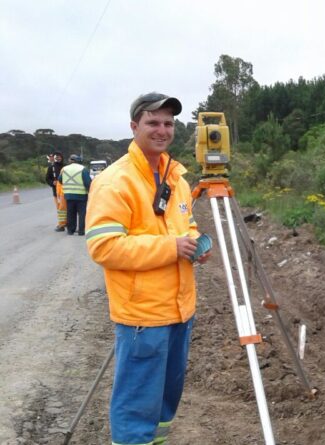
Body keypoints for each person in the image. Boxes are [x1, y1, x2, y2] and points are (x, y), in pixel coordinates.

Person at [85, 92, 210, 445]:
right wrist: (171, 248)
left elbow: (184, 227)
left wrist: (195, 244)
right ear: (134, 126)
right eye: (153, 122)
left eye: (168, 123)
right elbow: (104, 246)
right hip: (142, 316)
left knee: (165, 405)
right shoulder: (115, 181)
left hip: (180, 310)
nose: (162, 130)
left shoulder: (177, 179)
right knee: (137, 406)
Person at [59, 154, 92, 235]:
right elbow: (88, 183)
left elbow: (60, 180)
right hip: (81, 195)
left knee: (70, 213)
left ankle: (70, 230)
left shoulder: (64, 169)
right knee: (82, 214)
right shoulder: (83, 169)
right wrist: (90, 192)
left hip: (69, 195)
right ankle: (81, 231)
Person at [45, 150, 67, 231]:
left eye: (59, 157)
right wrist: (52, 182)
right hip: (57, 193)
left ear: (62, 157)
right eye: (56, 157)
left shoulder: (66, 167)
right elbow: (47, 178)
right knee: (60, 209)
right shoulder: (51, 167)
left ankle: (67, 223)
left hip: (67, 192)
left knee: (67, 208)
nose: (58, 158)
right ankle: (61, 225)